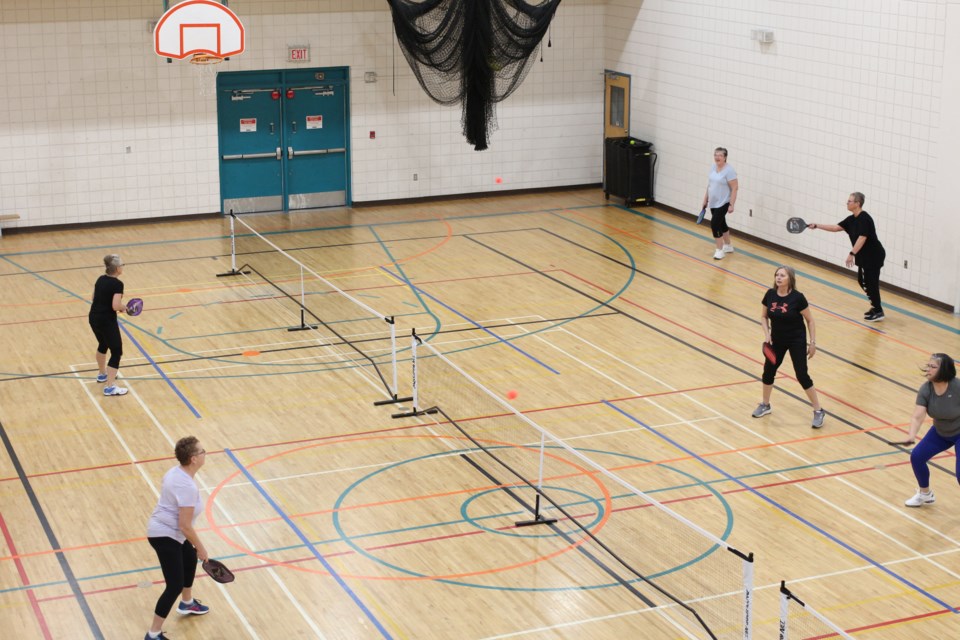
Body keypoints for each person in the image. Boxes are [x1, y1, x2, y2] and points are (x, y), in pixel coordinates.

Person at [145, 436, 211, 640]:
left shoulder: (175, 472)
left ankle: (187, 602)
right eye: (202, 451)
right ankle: (153, 633)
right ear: (193, 459)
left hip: (172, 533)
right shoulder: (186, 486)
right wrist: (201, 547)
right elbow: (185, 525)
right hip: (165, 536)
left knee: (189, 559)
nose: (204, 454)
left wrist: (194, 548)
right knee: (174, 584)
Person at [752, 266, 826, 428]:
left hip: (796, 340)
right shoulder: (770, 294)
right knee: (768, 371)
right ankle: (765, 404)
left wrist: (812, 343)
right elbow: (764, 317)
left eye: (782, 275)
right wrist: (767, 334)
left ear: (790, 279)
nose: (778, 278)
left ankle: (818, 410)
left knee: (801, 374)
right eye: (777, 275)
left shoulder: (798, 298)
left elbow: (810, 320)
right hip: (776, 340)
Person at [889, 354, 960, 508]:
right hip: (941, 432)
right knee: (917, 456)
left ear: (944, 370)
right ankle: (925, 494)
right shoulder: (926, 389)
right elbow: (917, 416)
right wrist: (911, 435)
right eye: (928, 366)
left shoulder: (957, 387)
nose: (928, 369)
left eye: (933, 367)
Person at [807, 192, 887, 321]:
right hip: (864, 256)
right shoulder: (851, 219)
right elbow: (835, 227)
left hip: (873, 256)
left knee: (871, 283)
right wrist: (817, 226)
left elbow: (862, 237)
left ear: (857, 204)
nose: (847, 203)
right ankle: (875, 306)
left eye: (849, 201)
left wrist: (851, 254)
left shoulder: (865, 219)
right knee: (862, 281)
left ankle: (878, 311)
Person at [89, 253, 128, 396]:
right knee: (116, 351)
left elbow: (93, 297)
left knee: (103, 344)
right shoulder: (118, 284)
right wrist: (124, 308)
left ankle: (102, 374)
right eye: (122, 265)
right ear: (117, 269)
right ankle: (110, 386)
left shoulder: (100, 279)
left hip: (93, 318)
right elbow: (115, 305)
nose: (123, 267)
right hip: (106, 320)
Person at [700, 146, 739, 260]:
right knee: (722, 224)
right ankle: (728, 246)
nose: (717, 157)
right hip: (713, 201)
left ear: (725, 157)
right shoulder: (713, 167)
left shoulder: (729, 170)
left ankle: (719, 250)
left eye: (720, 155)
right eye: (715, 155)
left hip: (724, 202)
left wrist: (731, 204)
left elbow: (735, 188)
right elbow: (710, 184)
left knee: (715, 224)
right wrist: (705, 199)